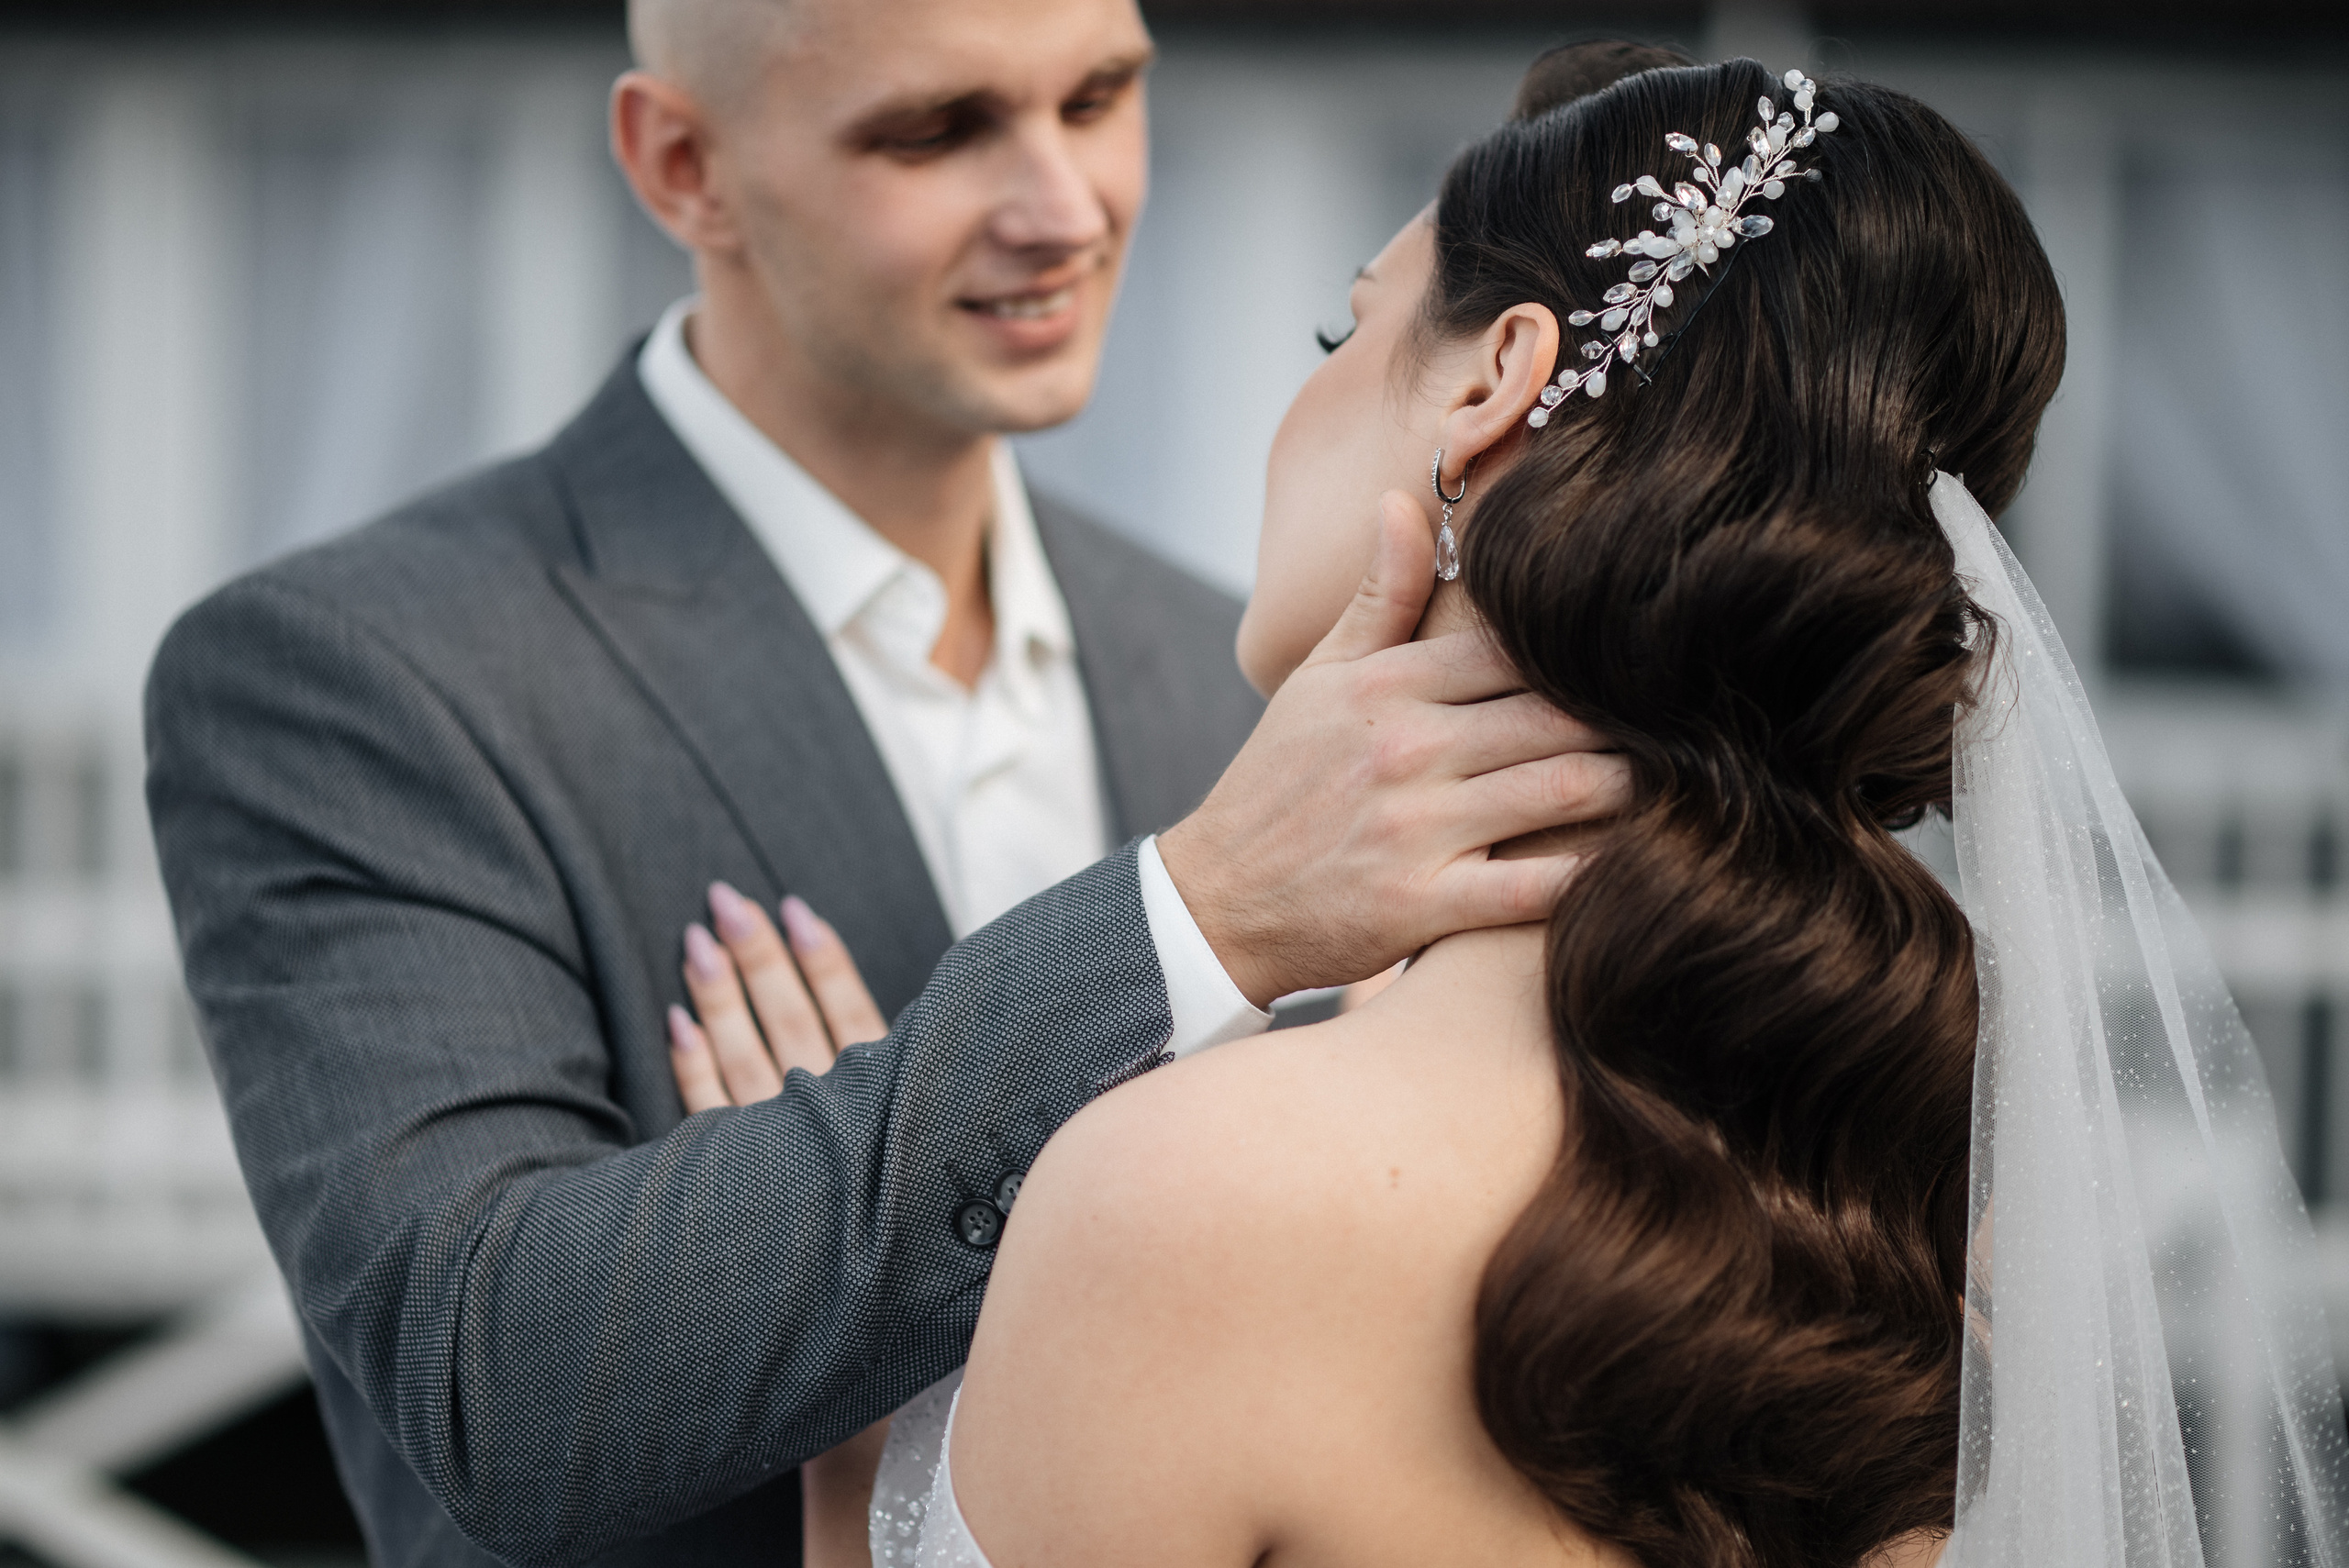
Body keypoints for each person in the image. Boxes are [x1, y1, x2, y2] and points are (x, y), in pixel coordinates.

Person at [672, 49, 2345, 1568]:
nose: (1302, 396)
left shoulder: (1177, 1203)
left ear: (1492, 387)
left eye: (1348, 329)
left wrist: (858, 1453)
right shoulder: (1903, 1205)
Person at [139, 2, 1630, 1565]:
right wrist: (1193, 917)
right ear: (681, 164)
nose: (1066, 207)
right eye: (935, 130)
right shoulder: (354, 673)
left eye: (1102, 94)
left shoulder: (1240, 666)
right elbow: (489, 1393)